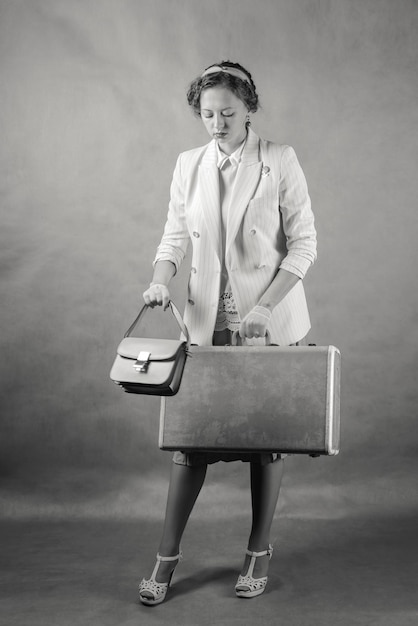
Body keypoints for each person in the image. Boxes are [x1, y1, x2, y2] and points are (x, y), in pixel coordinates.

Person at [139, 61, 317, 605]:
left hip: (268, 319)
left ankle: (258, 551)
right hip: (203, 321)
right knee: (189, 444)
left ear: (249, 109)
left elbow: (305, 244)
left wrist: (264, 307)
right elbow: (173, 238)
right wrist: (159, 281)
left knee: (264, 444)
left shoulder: (279, 159)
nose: (216, 123)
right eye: (206, 114)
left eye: (227, 113)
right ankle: (167, 557)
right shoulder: (188, 163)